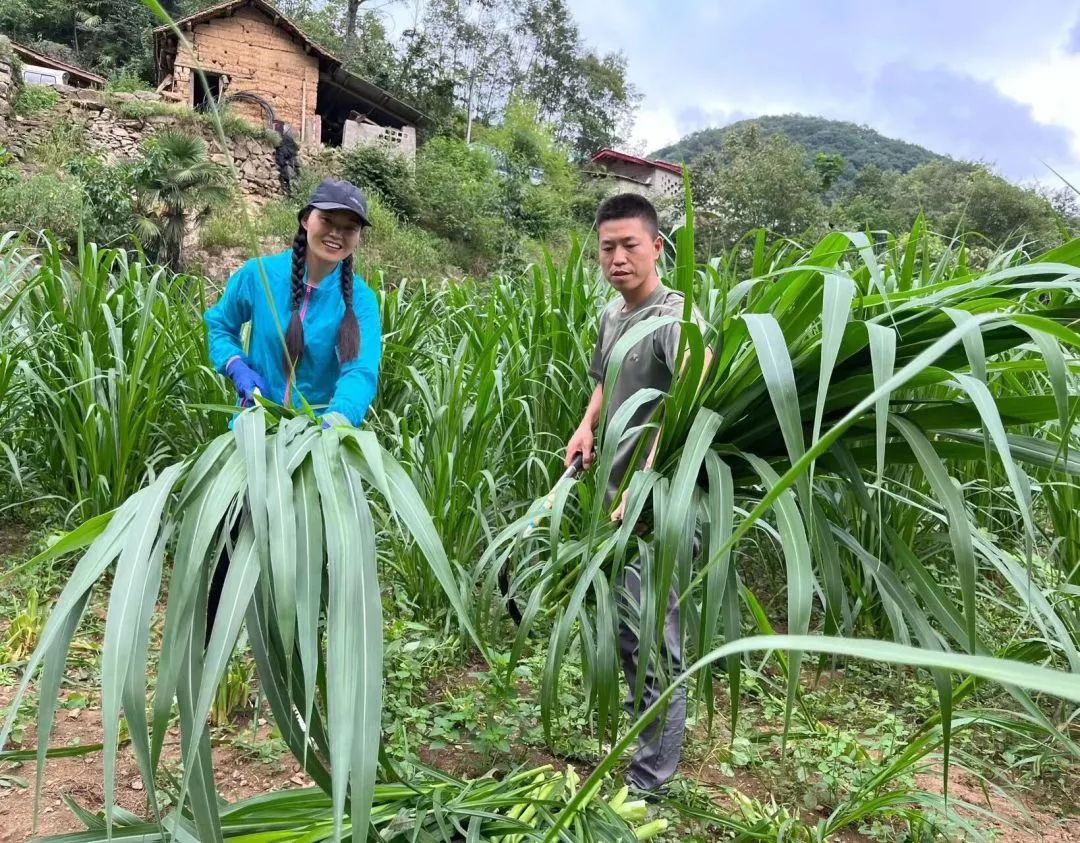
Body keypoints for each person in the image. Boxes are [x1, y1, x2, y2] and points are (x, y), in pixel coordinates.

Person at [564, 192, 709, 793]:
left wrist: (648, 482)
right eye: (607, 248)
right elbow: (605, 379)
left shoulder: (678, 320)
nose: (618, 258)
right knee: (628, 630)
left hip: (662, 503)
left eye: (630, 245)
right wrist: (587, 423)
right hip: (616, 496)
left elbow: (689, 401)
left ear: (657, 247)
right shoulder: (612, 315)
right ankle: (643, 740)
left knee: (656, 640)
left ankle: (651, 781)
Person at [202, 178, 382, 638]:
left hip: (315, 450)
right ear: (306, 220)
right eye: (328, 220)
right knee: (230, 550)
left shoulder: (359, 299)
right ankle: (213, 650)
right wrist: (237, 365)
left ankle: (289, 657)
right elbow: (219, 325)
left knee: (304, 560)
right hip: (253, 438)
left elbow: (359, 373)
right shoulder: (260, 274)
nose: (337, 233)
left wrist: (332, 425)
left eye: (350, 227)